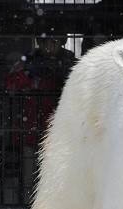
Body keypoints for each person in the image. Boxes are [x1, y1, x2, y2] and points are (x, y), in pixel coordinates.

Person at [5, 36, 75, 198]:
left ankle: (54, 203)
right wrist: (28, 72)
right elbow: (10, 83)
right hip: (32, 124)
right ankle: (28, 201)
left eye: (53, 42)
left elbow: (82, 88)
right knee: (29, 168)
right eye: (44, 42)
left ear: (62, 42)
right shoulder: (29, 60)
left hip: (59, 127)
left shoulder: (70, 61)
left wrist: (64, 74)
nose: (48, 46)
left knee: (58, 170)